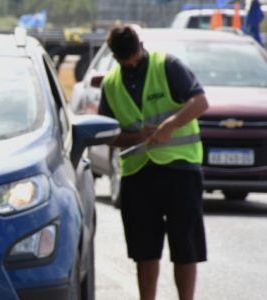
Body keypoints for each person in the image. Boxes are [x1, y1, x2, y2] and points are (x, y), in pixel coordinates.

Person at [98, 25, 208, 300]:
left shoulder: (167, 65)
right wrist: (134, 136)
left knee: (186, 247)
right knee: (144, 251)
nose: (133, 63)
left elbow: (200, 102)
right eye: (127, 61)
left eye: (136, 57)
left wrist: (171, 124)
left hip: (180, 169)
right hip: (138, 173)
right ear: (115, 57)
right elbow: (107, 135)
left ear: (141, 45)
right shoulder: (111, 84)